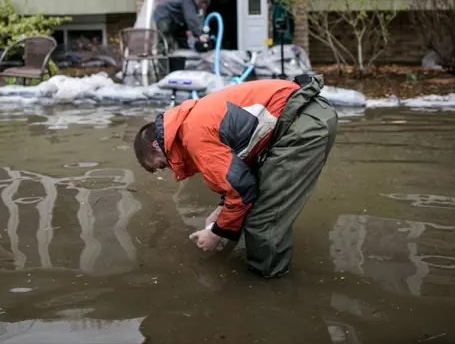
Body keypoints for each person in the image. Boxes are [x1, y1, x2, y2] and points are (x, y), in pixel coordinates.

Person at [132, 74, 338, 278]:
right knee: (256, 203)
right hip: (306, 112)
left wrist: (216, 233)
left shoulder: (194, 136)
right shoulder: (189, 123)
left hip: (303, 123)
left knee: (262, 219)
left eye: (161, 164)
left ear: (157, 145)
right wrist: (221, 209)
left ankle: (267, 289)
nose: (168, 168)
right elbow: (243, 163)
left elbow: (242, 191)